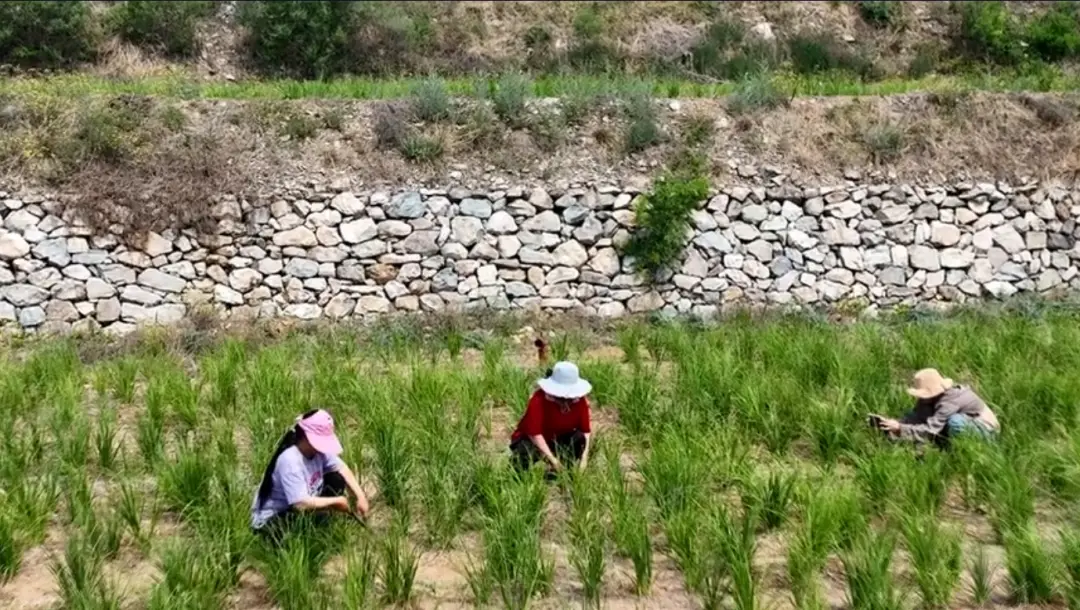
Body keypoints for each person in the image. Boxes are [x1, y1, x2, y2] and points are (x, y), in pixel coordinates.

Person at [250, 409, 369, 540]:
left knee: (336, 479)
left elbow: (342, 468)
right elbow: (300, 504)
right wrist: (336, 501)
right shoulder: (290, 460)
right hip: (277, 517)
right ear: (306, 437)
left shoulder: (319, 451)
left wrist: (360, 496)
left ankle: (321, 521)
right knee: (292, 530)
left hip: (304, 502)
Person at [872, 368, 1000, 447]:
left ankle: (958, 448)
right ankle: (897, 435)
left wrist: (900, 428)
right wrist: (895, 424)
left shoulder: (949, 402)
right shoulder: (931, 399)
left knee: (955, 422)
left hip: (987, 431)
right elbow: (919, 416)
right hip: (965, 422)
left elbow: (930, 430)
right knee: (911, 414)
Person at [510, 361, 593, 473]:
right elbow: (535, 434)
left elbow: (585, 431)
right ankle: (518, 474)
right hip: (532, 441)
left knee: (578, 438)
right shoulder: (539, 400)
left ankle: (566, 468)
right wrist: (553, 461)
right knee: (525, 451)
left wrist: (584, 459)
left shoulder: (580, 402)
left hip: (558, 439)